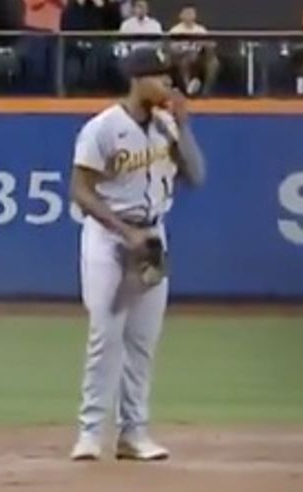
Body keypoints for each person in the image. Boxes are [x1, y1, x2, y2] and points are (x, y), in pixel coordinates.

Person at [67, 48, 206, 463]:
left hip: (151, 236)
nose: (167, 84)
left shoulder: (166, 126)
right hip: (109, 239)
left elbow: (195, 176)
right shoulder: (102, 128)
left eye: (169, 77)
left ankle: (133, 433)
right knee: (105, 334)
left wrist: (183, 127)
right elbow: (80, 189)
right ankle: (90, 433)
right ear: (137, 79)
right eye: (159, 76)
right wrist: (123, 231)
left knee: (142, 340)